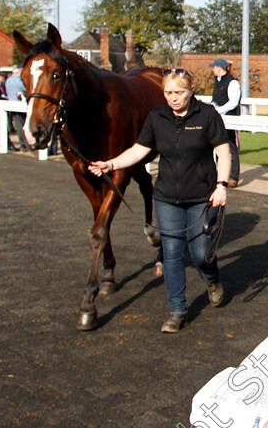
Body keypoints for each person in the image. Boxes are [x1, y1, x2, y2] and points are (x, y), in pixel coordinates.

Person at [88, 68, 230, 333]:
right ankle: (177, 311)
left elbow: (223, 151)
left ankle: (212, 279)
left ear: (191, 90)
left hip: (202, 197)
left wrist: (221, 186)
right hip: (166, 198)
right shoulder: (157, 117)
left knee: (201, 254)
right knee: (173, 255)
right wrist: (110, 164)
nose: (173, 98)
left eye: (178, 93)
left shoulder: (207, 115)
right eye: (168, 93)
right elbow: (138, 150)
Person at [209, 58, 241, 188]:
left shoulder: (232, 82)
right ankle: (219, 173)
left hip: (229, 119)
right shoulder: (217, 82)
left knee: (231, 147)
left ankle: (233, 177)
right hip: (218, 118)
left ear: (219, 68)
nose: (212, 69)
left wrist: (219, 110)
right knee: (217, 145)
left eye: (214, 67)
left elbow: (233, 102)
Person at [5, 65, 31, 152]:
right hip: (21, 106)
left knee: (19, 125)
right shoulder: (19, 81)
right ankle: (27, 145)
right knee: (24, 126)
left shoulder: (8, 80)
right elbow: (26, 89)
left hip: (12, 105)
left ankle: (22, 144)